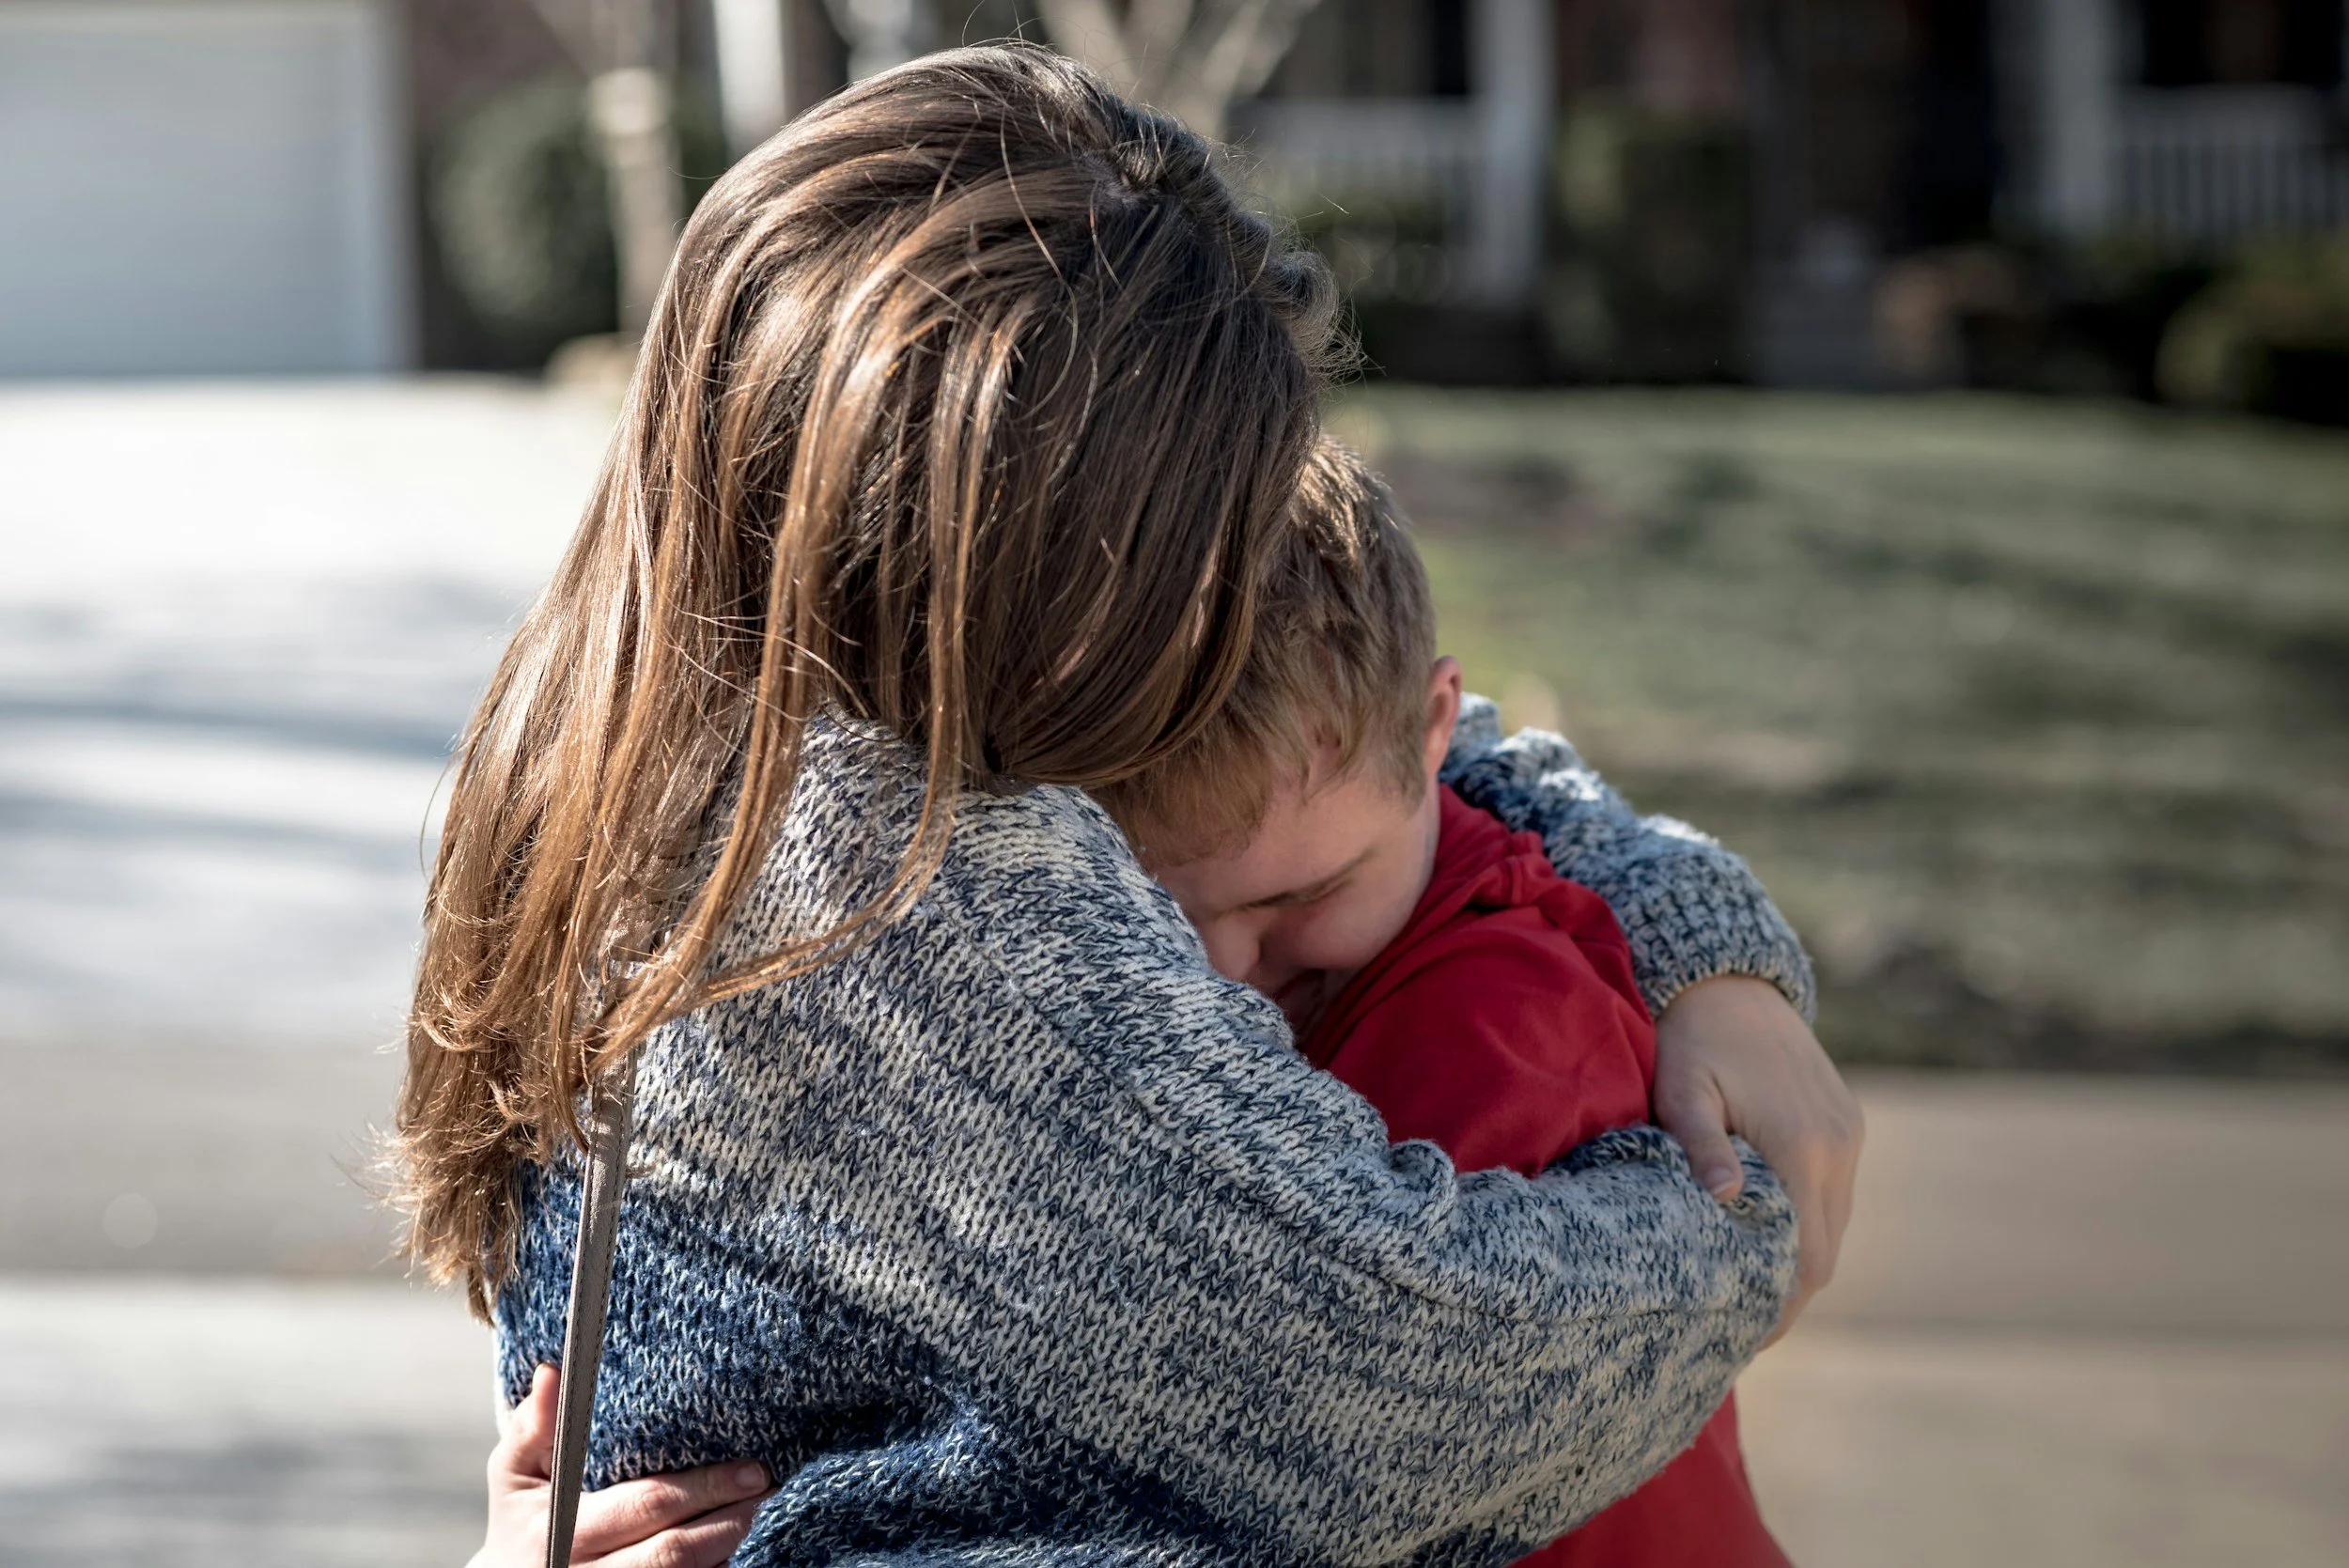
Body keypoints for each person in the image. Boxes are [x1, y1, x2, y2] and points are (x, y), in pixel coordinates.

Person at [403, 43, 1859, 1567]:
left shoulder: (633, 720)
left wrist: (1707, 946)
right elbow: (1416, 1388)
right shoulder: (913, 890)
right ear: (1018, 550)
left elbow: (1418, 737)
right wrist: (1739, 1207)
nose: (1233, 602)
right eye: (1198, 558)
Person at [1117, 441, 1789, 1566]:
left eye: (1304, 896)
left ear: (1438, 728)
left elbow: (1293, 1434)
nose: (1227, 972)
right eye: (1164, 910)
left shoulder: (1506, 1031)